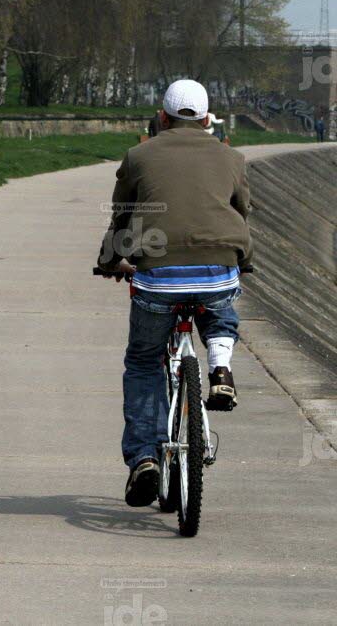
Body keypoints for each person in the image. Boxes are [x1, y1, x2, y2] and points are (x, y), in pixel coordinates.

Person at [96, 79, 252, 508]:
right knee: (220, 307)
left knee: (145, 361)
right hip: (218, 267)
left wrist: (111, 261)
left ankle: (145, 456)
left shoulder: (138, 156)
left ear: (161, 118)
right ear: (206, 121)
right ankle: (220, 368)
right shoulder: (232, 157)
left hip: (158, 278)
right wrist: (243, 258)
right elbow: (241, 213)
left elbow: (123, 219)